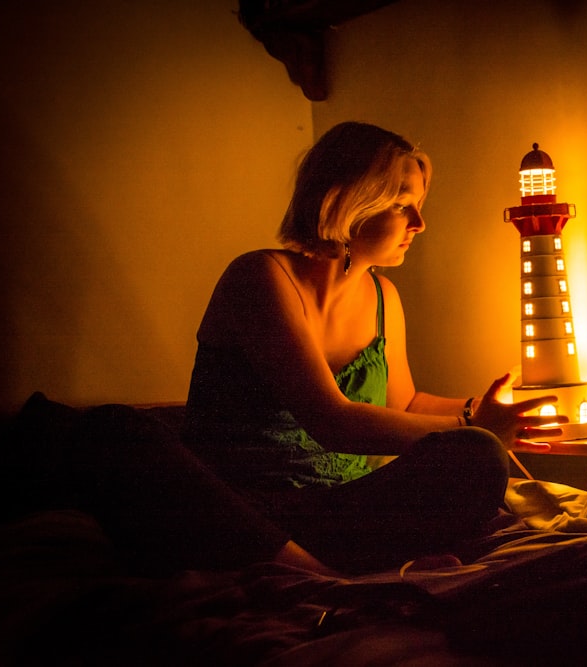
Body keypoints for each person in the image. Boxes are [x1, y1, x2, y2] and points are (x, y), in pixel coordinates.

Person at [183, 121, 562, 573]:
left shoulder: (383, 297)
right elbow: (333, 421)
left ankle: (358, 558)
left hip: (343, 508)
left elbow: (404, 403)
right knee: (109, 430)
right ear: (345, 201)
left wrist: (484, 409)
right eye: (403, 205)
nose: (419, 224)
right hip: (257, 512)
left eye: (418, 205)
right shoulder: (261, 278)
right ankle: (306, 566)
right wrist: (475, 429)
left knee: (475, 461)